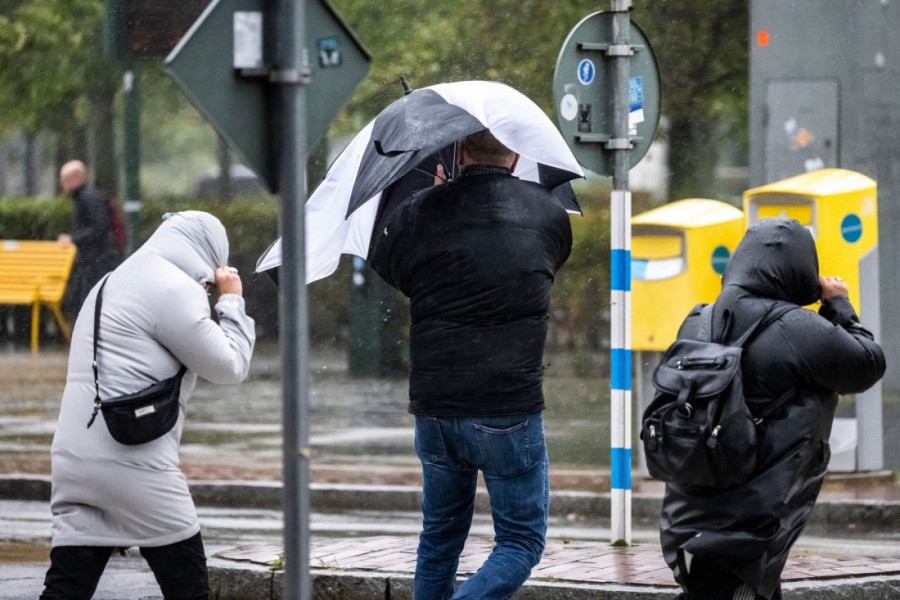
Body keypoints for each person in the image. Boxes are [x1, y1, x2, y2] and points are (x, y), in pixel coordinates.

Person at [369, 129, 573, 599]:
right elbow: (547, 263)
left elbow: (394, 268)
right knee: (520, 542)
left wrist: (431, 205)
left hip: (436, 402)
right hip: (508, 403)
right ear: (517, 154)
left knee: (439, 540)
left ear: (459, 150)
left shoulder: (421, 211)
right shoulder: (548, 212)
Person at [659, 217, 885, 600]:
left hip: (696, 494)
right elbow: (866, 364)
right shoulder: (796, 327)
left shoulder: (699, 319)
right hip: (758, 501)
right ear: (799, 269)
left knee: (723, 582)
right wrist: (838, 305)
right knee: (737, 586)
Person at [40, 211, 256, 600]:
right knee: (188, 587)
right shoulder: (172, 288)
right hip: (134, 463)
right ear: (210, 253)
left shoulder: (116, 279)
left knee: (66, 590)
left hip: (74, 458)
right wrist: (232, 302)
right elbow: (230, 366)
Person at [58, 160, 119, 316]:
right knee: (80, 302)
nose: (62, 183)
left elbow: (99, 227)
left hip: (98, 260)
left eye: (65, 179)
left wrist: (73, 239)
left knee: (87, 303)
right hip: (93, 259)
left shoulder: (88, 197)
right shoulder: (85, 196)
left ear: (77, 177)